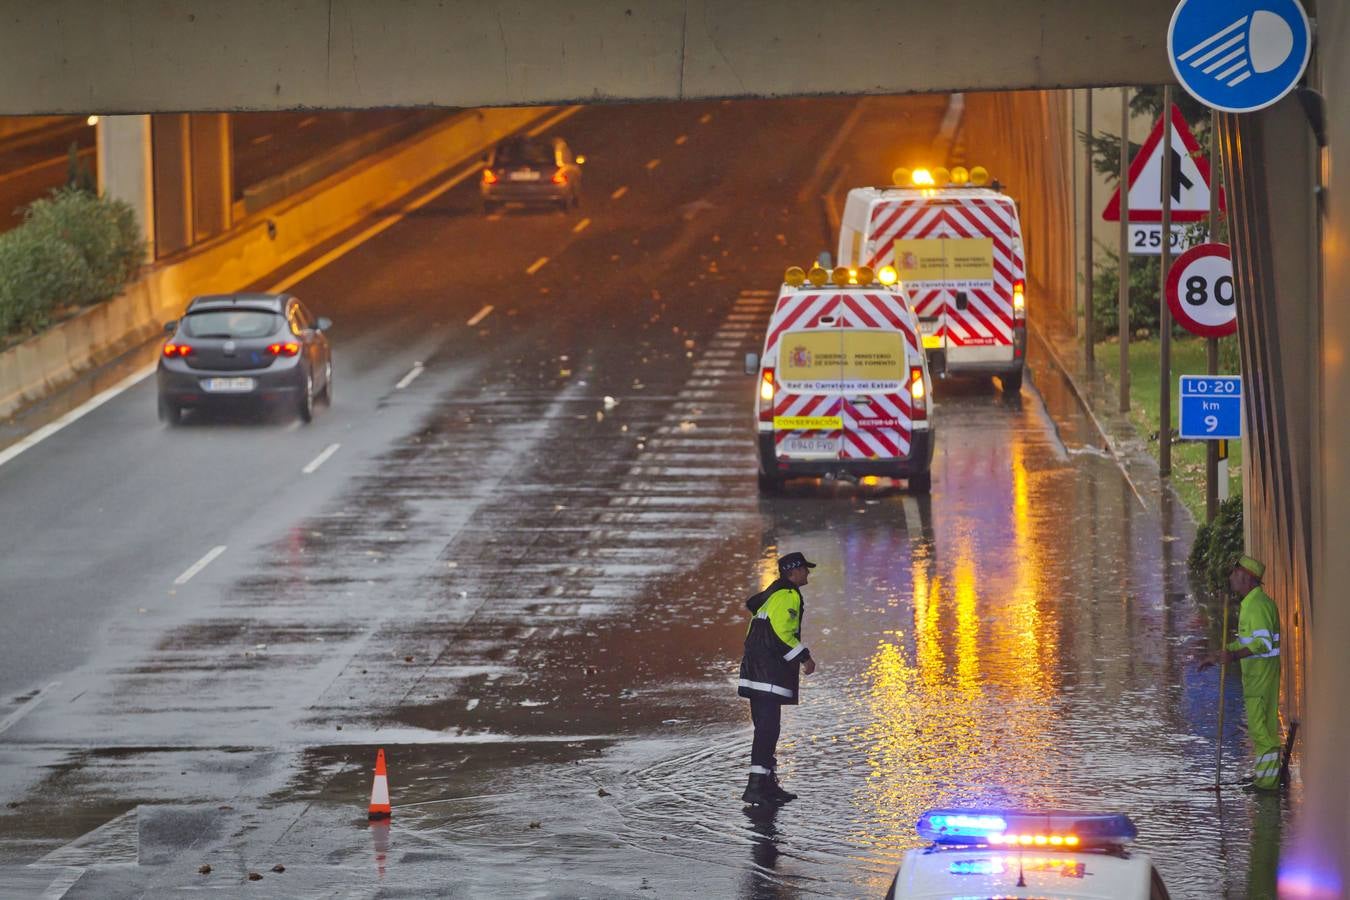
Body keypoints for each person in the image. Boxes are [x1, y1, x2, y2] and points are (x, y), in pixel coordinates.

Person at [738, 551, 818, 805]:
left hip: (755, 671)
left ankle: (767, 785)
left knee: (766, 729)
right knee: (768, 730)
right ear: (792, 572)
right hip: (768, 673)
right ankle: (757, 788)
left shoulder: (772, 595)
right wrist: (804, 657)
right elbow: (783, 632)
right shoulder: (788, 595)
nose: (807, 573)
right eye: (804, 569)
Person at [1198, 555, 1283, 791]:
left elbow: (1262, 644)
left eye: (1234, 574)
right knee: (1259, 731)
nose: (1230, 578)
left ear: (1246, 578)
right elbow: (1247, 642)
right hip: (1256, 679)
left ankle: (1267, 786)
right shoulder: (1252, 604)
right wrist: (1217, 655)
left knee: (1263, 733)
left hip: (1261, 680)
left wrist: (1234, 656)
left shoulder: (1258, 606)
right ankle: (1264, 777)